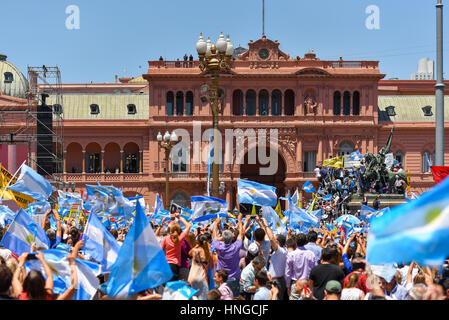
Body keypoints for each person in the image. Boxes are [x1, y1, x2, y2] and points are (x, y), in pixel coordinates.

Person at [212, 213, 244, 298]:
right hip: (234, 277)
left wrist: (215, 224)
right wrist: (240, 221)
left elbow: (214, 236)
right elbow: (241, 234)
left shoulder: (218, 246)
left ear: (222, 238)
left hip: (221, 278)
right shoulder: (236, 246)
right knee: (234, 298)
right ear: (232, 238)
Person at [160, 212, 192, 281]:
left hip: (166, 265)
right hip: (175, 266)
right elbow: (188, 226)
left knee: (167, 289)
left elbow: (159, 250)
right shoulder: (179, 239)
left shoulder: (165, 238)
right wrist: (179, 217)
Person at [285, 233, 317, 300]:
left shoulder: (292, 255)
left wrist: (287, 286)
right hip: (307, 284)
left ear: (295, 242)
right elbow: (315, 270)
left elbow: (288, 273)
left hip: (296, 285)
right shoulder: (311, 254)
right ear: (306, 242)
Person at [187, 234, 214, 300]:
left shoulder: (194, 250)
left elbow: (189, 254)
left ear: (198, 241)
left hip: (192, 277)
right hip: (202, 278)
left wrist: (196, 246)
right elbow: (211, 266)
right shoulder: (209, 253)